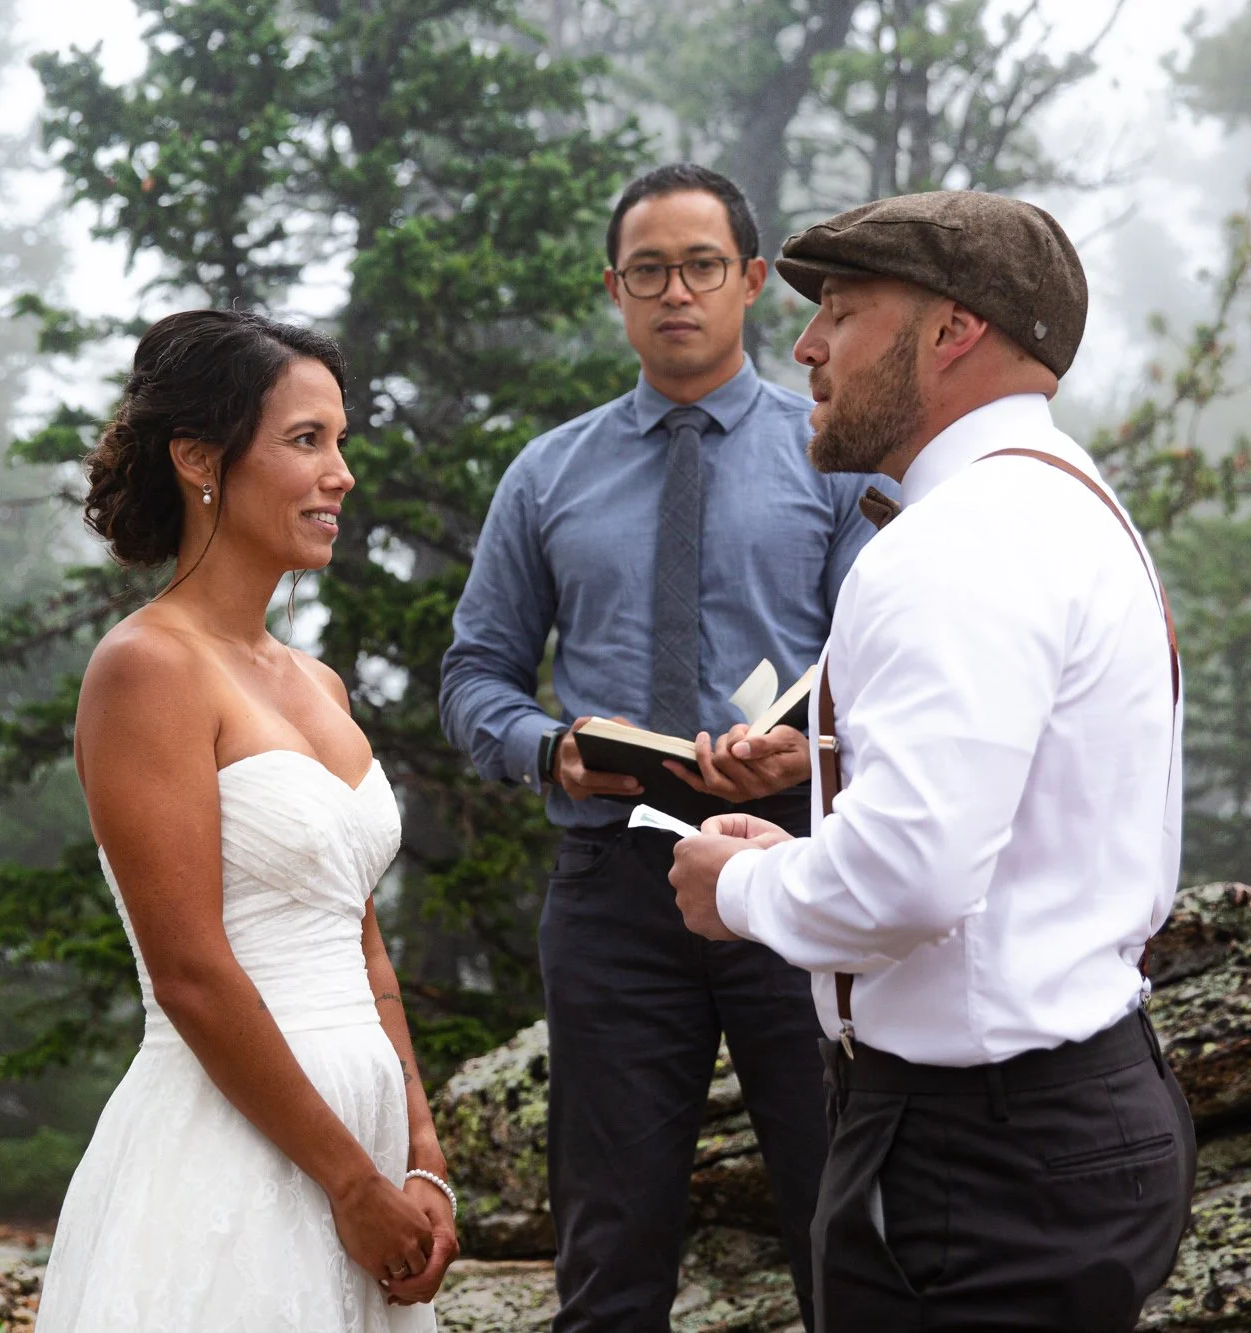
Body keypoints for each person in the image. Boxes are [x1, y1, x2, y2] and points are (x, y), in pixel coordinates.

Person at [667, 191, 1198, 1332]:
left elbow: (910, 877)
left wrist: (739, 888)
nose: (803, 345)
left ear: (951, 331)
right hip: (1068, 1110)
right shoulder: (1068, 505)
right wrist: (819, 839)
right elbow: (985, 836)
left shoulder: (957, 543)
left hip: (978, 1156)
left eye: (843, 313)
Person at [439, 164, 881, 1330]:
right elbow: (472, 676)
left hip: (791, 864)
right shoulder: (547, 474)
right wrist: (545, 749)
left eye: (698, 267)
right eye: (647, 271)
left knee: (836, 1209)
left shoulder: (833, 456)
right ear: (613, 290)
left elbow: (886, 668)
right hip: (610, 882)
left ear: (747, 282)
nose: (672, 292)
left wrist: (812, 751)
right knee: (608, 1234)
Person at [37, 310, 457, 1332]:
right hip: (229, 1151)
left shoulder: (317, 683)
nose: (341, 474)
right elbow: (188, 967)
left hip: (363, 1140)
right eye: (306, 441)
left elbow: (363, 946)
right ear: (199, 460)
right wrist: (347, 1182)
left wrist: (419, 1151)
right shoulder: (145, 668)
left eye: (341, 442)